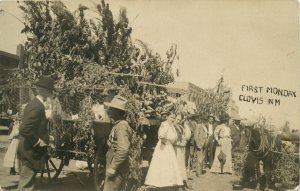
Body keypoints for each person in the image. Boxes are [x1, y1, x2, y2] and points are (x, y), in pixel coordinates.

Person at [17, 76, 55, 191]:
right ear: (44, 91)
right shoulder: (37, 106)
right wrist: (38, 141)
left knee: (28, 184)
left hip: (30, 150)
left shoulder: (36, 104)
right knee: (26, 186)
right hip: (30, 151)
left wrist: (46, 136)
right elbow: (24, 129)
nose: (50, 94)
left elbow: (33, 127)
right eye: (49, 91)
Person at [145, 112, 183, 189]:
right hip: (163, 146)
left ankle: (168, 181)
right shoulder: (164, 124)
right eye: (171, 117)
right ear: (167, 117)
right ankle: (159, 181)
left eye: (173, 118)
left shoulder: (171, 126)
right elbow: (161, 135)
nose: (172, 119)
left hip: (169, 146)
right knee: (162, 163)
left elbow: (174, 137)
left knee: (169, 164)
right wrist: (165, 142)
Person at [103, 95, 132, 191]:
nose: (109, 111)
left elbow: (123, 148)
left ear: (117, 112)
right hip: (116, 167)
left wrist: (113, 167)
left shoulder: (121, 126)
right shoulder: (117, 125)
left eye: (112, 109)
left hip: (117, 169)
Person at [173, 114, 191, 189]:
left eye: (180, 120)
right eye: (177, 119)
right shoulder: (172, 127)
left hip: (179, 148)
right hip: (174, 148)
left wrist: (184, 142)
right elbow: (172, 138)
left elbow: (185, 136)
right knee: (175, 164)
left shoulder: (180, 127)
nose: (178, 121)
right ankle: (174, 182)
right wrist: (179, 143)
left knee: (180, 164)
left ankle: (180, 181)